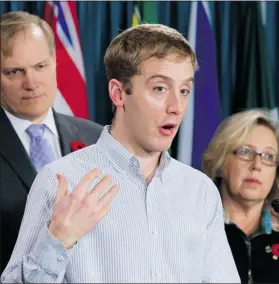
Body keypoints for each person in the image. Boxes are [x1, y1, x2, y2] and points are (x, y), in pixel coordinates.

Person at [1, 23, 241, 283]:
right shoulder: (60, 179)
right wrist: (57, 240)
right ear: (118, 93)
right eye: (160, 88)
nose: (176, 106)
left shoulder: (200, 192)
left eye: (184, 90)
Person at [0, 11, 103, 272]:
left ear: (55, 63)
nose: (31, 82)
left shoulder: (97, 139)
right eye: (14, 71)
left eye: (40, 66)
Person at [202, 109, 279, 283]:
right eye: (245, 152)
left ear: (276, 172)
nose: (257, 165)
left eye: (268, 156)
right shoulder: (189, 230)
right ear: (220, 164)